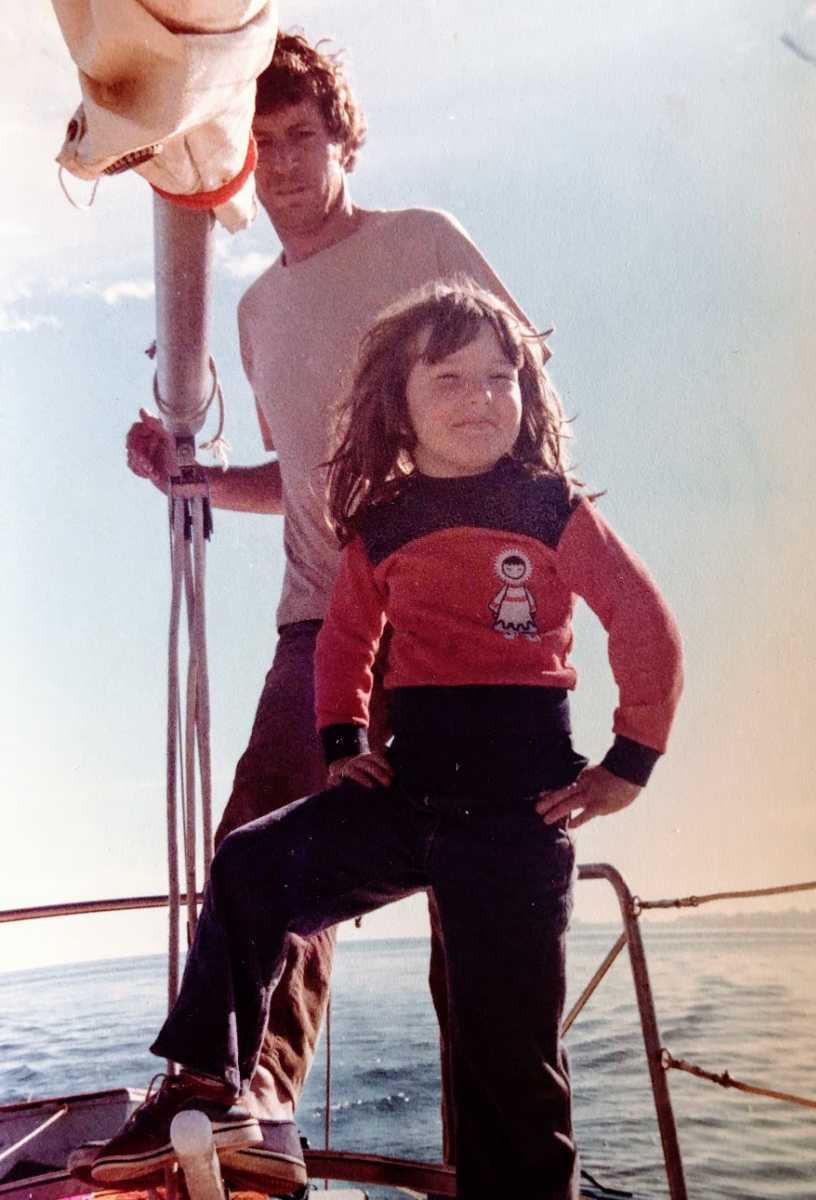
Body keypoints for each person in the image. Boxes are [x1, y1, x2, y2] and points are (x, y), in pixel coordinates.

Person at [88, 281, 684, 1200]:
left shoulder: (550, 508)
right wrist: (343, 741)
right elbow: (345, 640)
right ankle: (208, 1084)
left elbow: (645, 625)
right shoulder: (382, 525)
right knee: (251, 866)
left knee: (511, 1072)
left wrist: (626, 765)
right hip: (405, 793)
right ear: (395, 406)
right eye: (448, 379)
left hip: (516, 821)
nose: (480, 397)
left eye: (499, 377)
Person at [118, 31, 535, 1191]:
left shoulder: (421, 244)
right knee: (267, 838)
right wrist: (194, 480)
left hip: (449, 621)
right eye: (262, 145)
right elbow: (292, 476)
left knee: (478, 905)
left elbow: (526, 390)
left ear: (343, 140)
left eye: (303, 137)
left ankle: (502, 1170)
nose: (285, 163)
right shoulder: (255, 316)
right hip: (319, 627)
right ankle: (243, 1102)